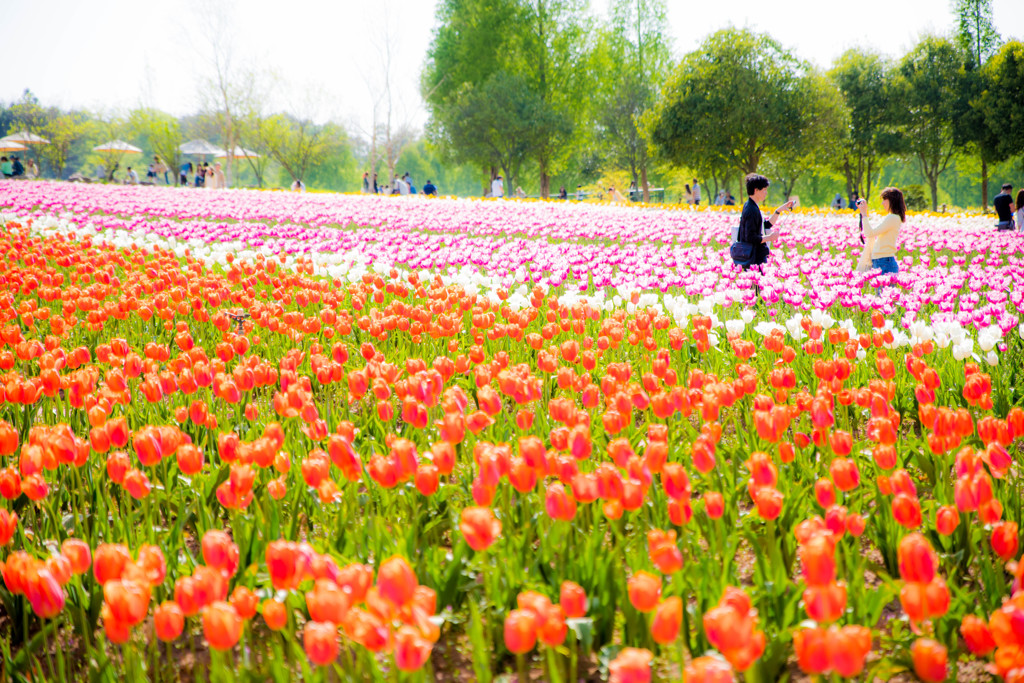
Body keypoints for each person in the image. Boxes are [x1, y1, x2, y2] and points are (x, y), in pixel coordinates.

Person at [732, 173, 794, 274]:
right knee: (755, 287)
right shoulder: (751, 210)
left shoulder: (752, 206)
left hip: (754, 256)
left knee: (756, 287)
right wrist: (769, 238)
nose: (766, 193)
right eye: (764, 190)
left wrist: (778, 211)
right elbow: (750, 237)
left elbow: (765, 225)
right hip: (753, 258)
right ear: (756, 190)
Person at [857, 186, 906, 286]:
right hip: (883, 261)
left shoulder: (892, 218)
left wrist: (864, 214)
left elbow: (869, 233)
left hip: (884, 262)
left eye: (884, 199)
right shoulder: (893, 217)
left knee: (883, 298)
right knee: (881, 298)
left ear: (892, 200)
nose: (882, 203)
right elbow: (871, 232)